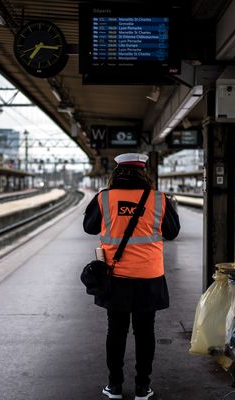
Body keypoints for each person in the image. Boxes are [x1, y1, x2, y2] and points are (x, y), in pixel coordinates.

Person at [83, 153, 180, 400]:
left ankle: (114, 387)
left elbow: (89, 227)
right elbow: (173, 231)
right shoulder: (159, 200)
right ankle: (142, 388)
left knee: (116, 331)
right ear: (143, 173)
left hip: (116, 277)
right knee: (145, 332)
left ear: (117, 172)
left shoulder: (104, 198)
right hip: (149, 277)